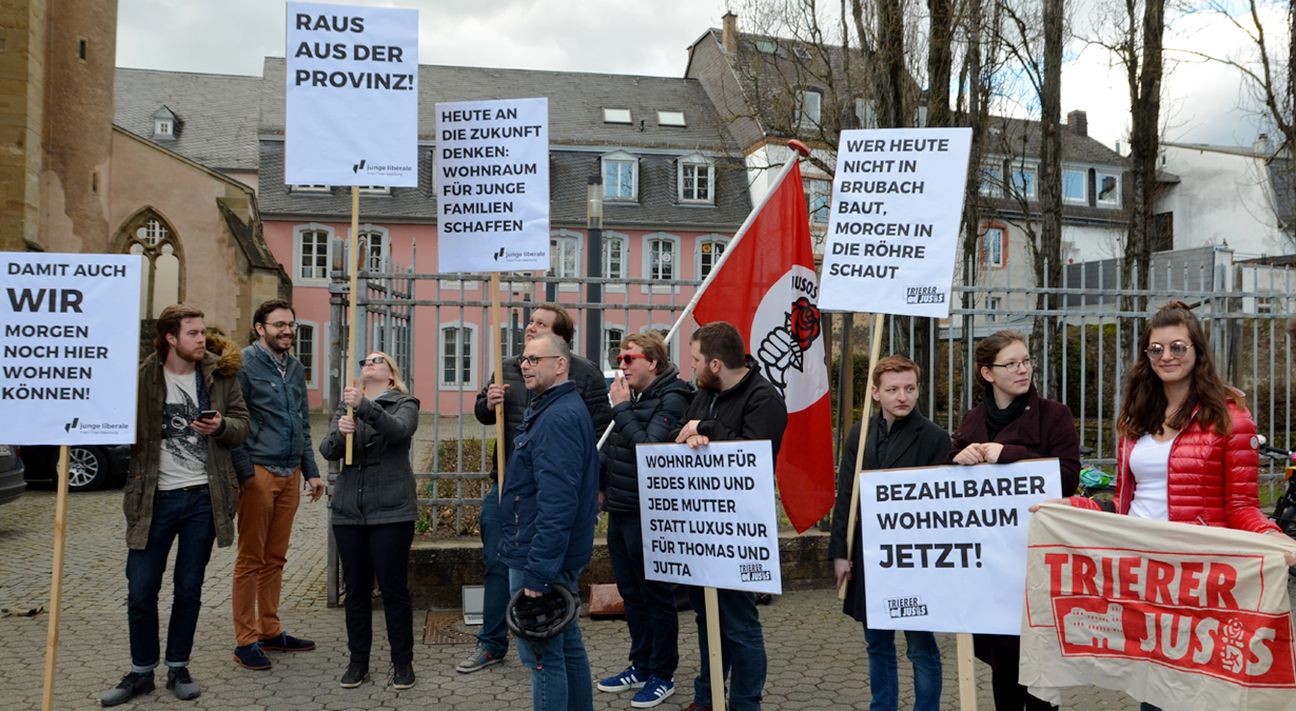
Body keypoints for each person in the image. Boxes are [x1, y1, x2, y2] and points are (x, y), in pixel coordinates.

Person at [1055, 301, 1288, 711]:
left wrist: (1275, 539)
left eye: (1178, 347)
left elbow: (1242, 507)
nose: (1167, 357)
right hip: (1143, 576)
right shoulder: (1136, 415)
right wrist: (1068, 509)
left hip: (1196, 575)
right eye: (1156, 349)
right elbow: (1129, 503)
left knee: (1196, 691)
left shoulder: (1230, 418)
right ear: (1146, 356)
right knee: (1153, 690)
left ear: (1197, 351)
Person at [101, 305, 249, 706]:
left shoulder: (220, 375)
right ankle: (141, 671)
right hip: (153, 499)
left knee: (189, 588)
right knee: (141, 590)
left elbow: (243, 424)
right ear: (170, 337)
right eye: (193, 333)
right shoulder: (142, 377)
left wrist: (221, 426)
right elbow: (111, 420)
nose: (203, 339)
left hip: (204, 496)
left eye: (203, 332)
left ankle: (178, 667)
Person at [463, 304, 611, 674]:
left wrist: (598, 486)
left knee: (540, 594)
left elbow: (599, 434)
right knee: (498, 564)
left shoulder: (584, 376)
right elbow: (483, 413)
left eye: (540, 324)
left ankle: (538, 641)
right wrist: (487, 402)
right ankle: (491, 641)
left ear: (560, 341)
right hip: (508, 488)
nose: (530, 327)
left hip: (549, 495)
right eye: (530, 322)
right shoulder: (511, 365)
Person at [949, 330, 1079, 711]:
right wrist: (956, 461)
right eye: (1011, 364)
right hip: (992, 566)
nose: (1023, 370)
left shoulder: (1054, 415)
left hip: (1037, 560)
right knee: (1003, 665)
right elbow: (948, 486)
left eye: (1026, 361)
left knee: (1040, 669)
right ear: (987, 374)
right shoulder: (973, 420)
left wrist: (1009, 453)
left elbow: (1068, 475)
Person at [674, 321, 788, 711]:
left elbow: (753, 454)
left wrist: (706, 429)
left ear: (717, 363)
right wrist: (692, 436)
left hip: (741, 532)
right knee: (707, 620)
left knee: (740, 625)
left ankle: (744, 703)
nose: (692, 368)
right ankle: (708, 696)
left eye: (696, 360)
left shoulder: (764, 399)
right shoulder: (705, 394)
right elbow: (684, 433)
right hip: (703, 527)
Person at [828, 355, 949, 711]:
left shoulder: (934, 438)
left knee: (921, 647)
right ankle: (883, 706)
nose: (903, 397)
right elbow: (847, 494)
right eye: (893, 389)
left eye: (909, 388)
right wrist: (840, 551)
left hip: (914, 562)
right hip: (869, 557)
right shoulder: (859, 434)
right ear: (876, 392)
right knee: (877, 643)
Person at [498, 333, 600, 711]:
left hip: (538, 558)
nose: (525, 365)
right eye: (524, 359)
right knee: (567, 644)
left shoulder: (558, 416)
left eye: (535, 360)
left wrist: (538, 572)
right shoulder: (551, 407)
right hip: (544, 554)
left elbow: (558, 503)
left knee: (541, 655)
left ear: (560, 364)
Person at [596, 332, 695, 708]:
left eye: (628, 359)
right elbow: (616, 446)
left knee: (656, 595)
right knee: (631, 592)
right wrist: (602, 482)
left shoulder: (672, 397)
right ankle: (640, 663)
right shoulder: (634, 397)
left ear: (651, 362)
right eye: (619, 359)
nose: (621, 366)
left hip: (650, 511)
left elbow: (649, 452)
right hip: (621, 507)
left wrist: (621, 409)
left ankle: (662, 673)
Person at [230, 298, 324, 671]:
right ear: (260, 328)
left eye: (290, 325)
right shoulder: (244, 365)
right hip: (259, 471)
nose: (286, 331)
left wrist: (312, 470)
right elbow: (235, 422)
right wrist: (246, 474)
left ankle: (270, 628)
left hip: (290, 474)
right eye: (278, 325)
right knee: (250, 559)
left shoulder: (295, 367)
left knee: (276, 557)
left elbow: (301, 423)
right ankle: (246, 639)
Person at [318, 351, 420, 689]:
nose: (368, 364)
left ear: (391, 375)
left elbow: (399, 432)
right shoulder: (347, 405)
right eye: (365, 362)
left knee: (393, 590)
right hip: (350, 510)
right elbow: (328, 450)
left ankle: (402, 662)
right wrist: (340, 432)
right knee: (356, 591)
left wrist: (363, 407)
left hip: (391, 510)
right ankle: (357, 661)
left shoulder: (405, 402)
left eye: (377, 361)